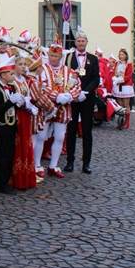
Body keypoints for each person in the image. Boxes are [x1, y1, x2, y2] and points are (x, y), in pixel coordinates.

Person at [37, 43, 79, 178]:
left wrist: (69, 96)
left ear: (61, 56)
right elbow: (41, 86)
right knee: (41, 136)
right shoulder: (42, 69)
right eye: (51, 55)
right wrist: (57, 96)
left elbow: (77, 85)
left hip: (64, 108)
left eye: (56, 56)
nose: (53, 58)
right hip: (46, 108)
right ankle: (37, 165)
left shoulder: (69, 71)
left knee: (60, 137)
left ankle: (53, 166)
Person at [64, 31, 99, 174]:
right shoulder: (69, 57)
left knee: (86, 131)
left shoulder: (93, 59)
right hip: (72, 98)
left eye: (83, 41)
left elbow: (96, 79)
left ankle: (86, 163)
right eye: (78, 41)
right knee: (71, 130)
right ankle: (70, 161)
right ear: (75, 43)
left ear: (86, 42)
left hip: (87, 99)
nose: (80, 43)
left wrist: (86, 92)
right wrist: (73, 92)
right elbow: (65, 76)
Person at [0, 58, 21, 194]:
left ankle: (6, 180)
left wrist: (18, 102)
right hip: (1, 126)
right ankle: (1, 183)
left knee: (10, 154)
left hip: (11, 124)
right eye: (10, 74)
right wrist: (10, 102)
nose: (13, 76)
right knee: (3, 155)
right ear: (2, 75)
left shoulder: (12, 87)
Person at [10, 56, 38, 190]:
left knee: (26, 143)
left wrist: (31, 105)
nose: (23, 66)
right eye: (20, 64)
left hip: (26, 115)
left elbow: (28, 96)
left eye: (24, 64)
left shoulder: (25, 80)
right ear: (14, 65)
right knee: (18, 144)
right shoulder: (12, 81)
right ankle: (17, 178)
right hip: (17, 115)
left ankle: (26, 176)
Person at [110, 49, 135, 130]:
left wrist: (121, 80)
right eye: (120, 54)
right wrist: (115, 78)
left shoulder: (129, 64)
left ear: (126, 56)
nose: (121, 56)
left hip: (125, 86)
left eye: (122, 55)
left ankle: (127, 122)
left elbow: (129, 76)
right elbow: (114, 72)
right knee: (120, 105)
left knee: (126, 104)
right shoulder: (117, 63)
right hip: (118, 85)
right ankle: (121, 121)